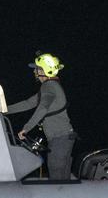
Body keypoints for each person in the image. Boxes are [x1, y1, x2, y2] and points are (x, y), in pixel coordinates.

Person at [7, 52, 76, 180]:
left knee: (57, 177)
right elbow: (28, 103)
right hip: (63, 138)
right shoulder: (51, 86)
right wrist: (2, 110)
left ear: (45, 70)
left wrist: (26, 128)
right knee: (63, 177)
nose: (35, 72)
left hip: (60, 139)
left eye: (37, 69)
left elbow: (42, 108)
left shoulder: (49, 86)